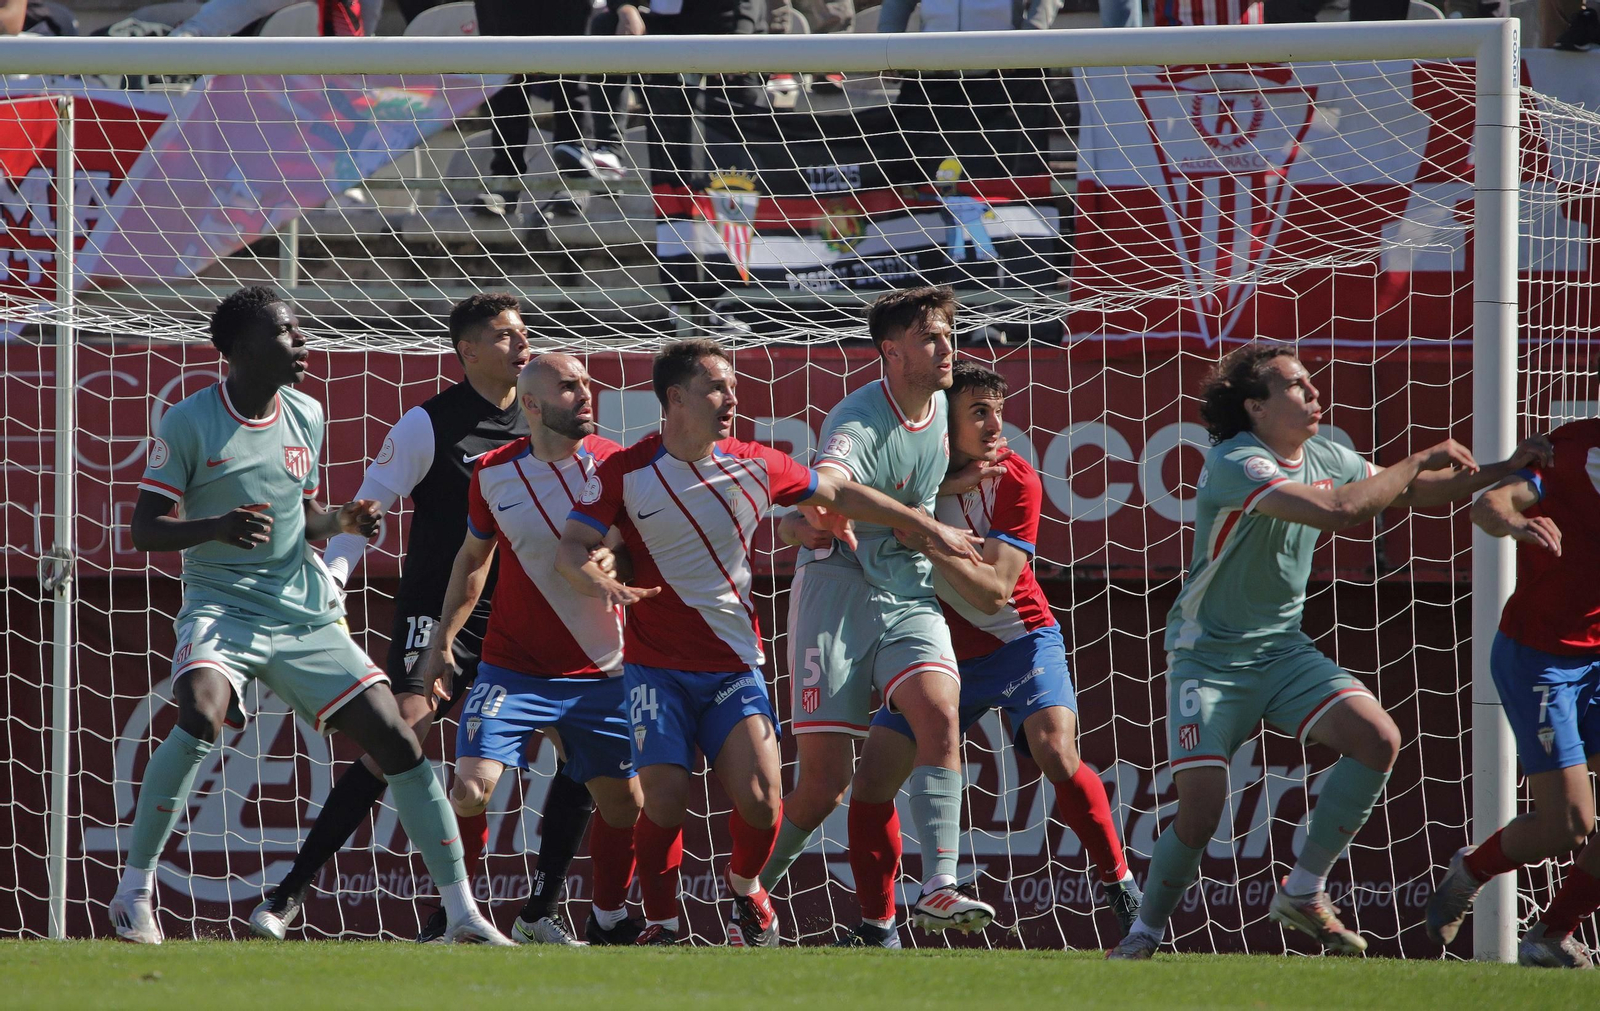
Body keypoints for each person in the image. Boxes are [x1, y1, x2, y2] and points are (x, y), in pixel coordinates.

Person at [1105, 345, 1549, 959]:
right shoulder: (1237, 460)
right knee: (1202, 810)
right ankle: (1144, 931)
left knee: (1378, 739)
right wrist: (1418, 455)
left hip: (1283, 650)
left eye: (1311, 382)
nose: (1313, 392)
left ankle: (1304, 890)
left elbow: (1413, 494)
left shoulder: (1329, 454)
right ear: (1256, 407)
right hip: (1208, 660)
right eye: (1295, 385)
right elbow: (1343, 509)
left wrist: (1503, 466)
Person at [112, 286, 508, 946]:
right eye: (287, 332)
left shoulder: (307, 413)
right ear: (239, 350)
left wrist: (342, 522)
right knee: (199, 711)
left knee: (397, 739)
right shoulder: (187, 422)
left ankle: (461, 911)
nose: (302, 343)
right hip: (222, 607)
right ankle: (135, 891)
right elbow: (145, 530)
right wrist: (216, 525)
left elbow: (305, 515)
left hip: (301, 612)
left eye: (300, 330)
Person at [555, 337, 981, 946]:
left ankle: (747, 886)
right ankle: (664, 924)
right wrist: (592, 575)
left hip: (733, 665)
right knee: (665, 800)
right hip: (656, 669)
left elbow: (837, 494)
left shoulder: (755, 461)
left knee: (761, 801)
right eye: (717, 388)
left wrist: (923, 522)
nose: (732, 398)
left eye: (733, 386)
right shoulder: (625, 471)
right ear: (675, 398)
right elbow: (572, 545)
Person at [250, 293, 602, 943]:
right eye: (504, 336)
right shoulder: (427, 423)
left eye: (525, 333)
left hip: (528, 619)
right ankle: (289, 892)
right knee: (400, 734)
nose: (522, 344)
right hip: (437, 613)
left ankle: (539, 911)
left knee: (587, 751)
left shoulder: (548, 425)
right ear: (467, 351)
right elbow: (365, 507)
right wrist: (334, 576)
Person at [780, 361, 1141, 947]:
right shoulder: (911, 471)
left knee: (1053, 747)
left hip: (1017, 641)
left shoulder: (1016, 478)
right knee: (870, 786)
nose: (997, 425)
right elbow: (805, 514)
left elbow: (994, 589)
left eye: (1000, 410)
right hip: (940, 650)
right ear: (942, 421)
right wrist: (797, 528)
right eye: (979, 412)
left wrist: (923, 536)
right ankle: (878, 928)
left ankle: (1120, 884)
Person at [758, 287, 995, 936]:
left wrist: (945, 490)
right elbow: (829, 488)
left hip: (907, 593)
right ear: (891, 352)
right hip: (836, 591)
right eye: (930, 338)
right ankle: (749, 891)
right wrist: (804, 519)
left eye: (950, 334)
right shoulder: (855, 418)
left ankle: (940, 884)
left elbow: (906, 476)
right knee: (823, 786)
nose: (947, 347)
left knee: (939, 710)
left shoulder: (945, 416)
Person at [411, 354, 645, 946]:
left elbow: (641, 543)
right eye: (570, 387)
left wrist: (618, 556)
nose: (586, 395)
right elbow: (472, 559)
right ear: (533, 405)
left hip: (603, 670)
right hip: (512, 668)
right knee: (469, 789)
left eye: (587, 384)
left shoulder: (617, 465)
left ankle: (607, 916)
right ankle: (456, 917)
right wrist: (441, 642)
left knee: (625, 808)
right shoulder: (492, 471)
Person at [1424, 418, 1600, 969]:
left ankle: (1551, 934)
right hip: (1540, 656)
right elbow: (1489, 505)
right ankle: (1470, 871)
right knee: (1568, 826)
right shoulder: (1571, 451)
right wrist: (1518, 524)